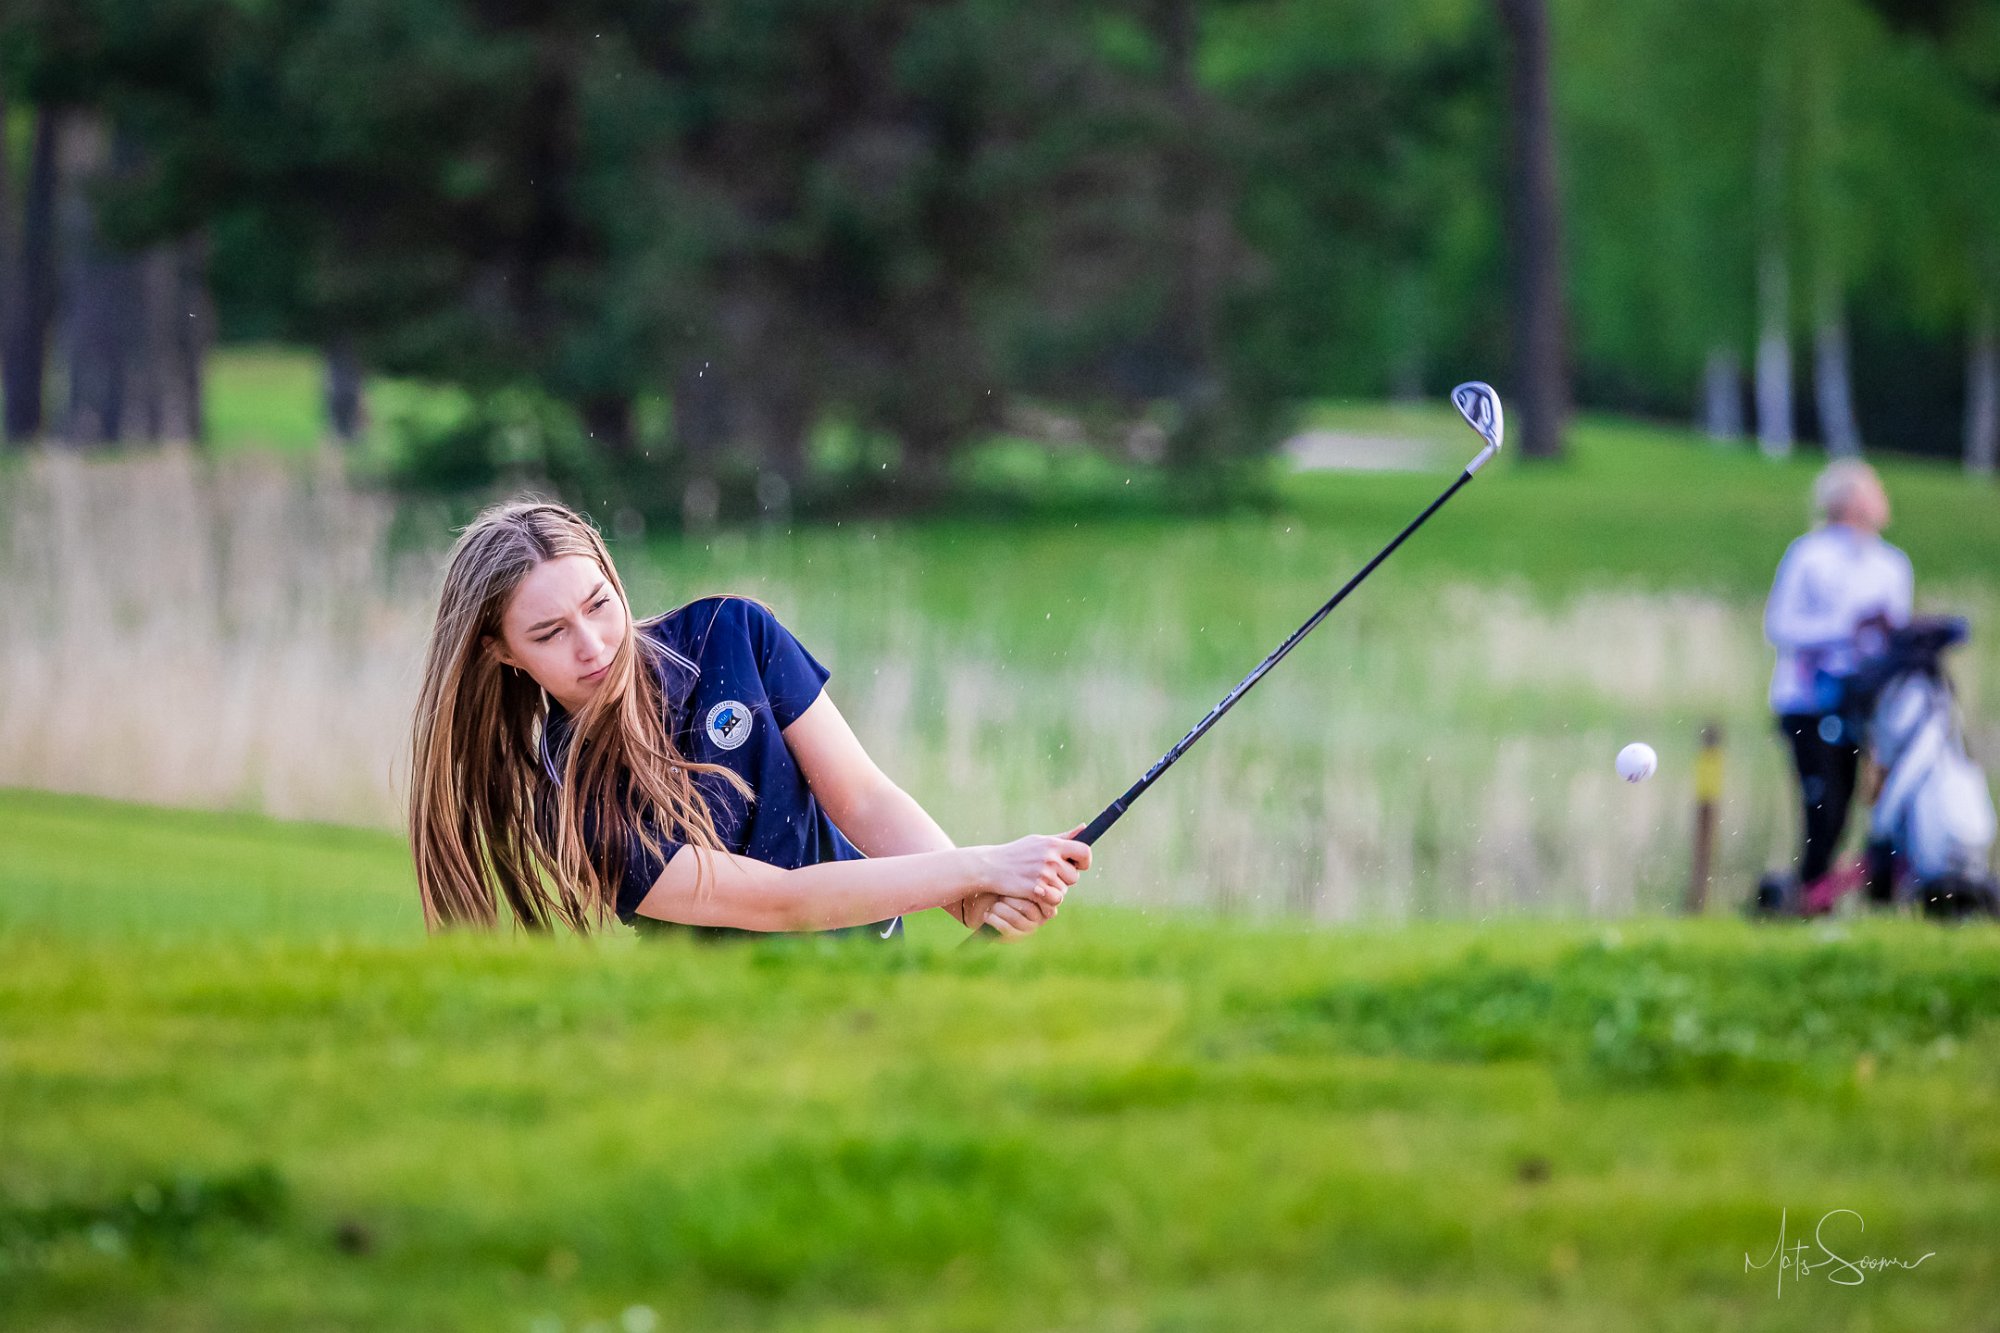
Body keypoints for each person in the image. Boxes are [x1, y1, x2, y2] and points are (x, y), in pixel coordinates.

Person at [408, 500, 1086, 938]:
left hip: (879, 972)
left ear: (614, 579)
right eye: (551, 632)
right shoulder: (578, 809)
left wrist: (972, 896)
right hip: (741, 1037)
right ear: (502, 652)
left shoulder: (732, 633)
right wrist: (980, 866)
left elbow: (862, 797)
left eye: (598, 604)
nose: (593, 644)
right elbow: (781, 904)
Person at [1762, 460, 1912, 900]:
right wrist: (1847, 630)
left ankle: (1821, 896)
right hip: (1809, 702)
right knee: (1822, 807)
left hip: (1864, 705)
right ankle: (1808, 894)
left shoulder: (1891, 565)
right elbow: (1782, 626)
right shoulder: (1809, 555)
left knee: (1850, 807)